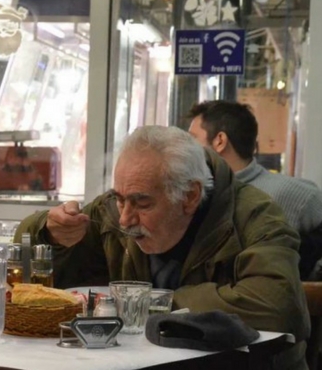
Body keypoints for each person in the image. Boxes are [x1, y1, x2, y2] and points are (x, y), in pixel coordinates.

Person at [15, 125, 309, 369]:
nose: (126, 219)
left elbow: (278, 305)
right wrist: (49, 233)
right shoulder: (112, 211)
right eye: (120, 199)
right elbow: (23, 265)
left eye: (142, 203)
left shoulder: (254, 218)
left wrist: (155, 304)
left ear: (190, 196)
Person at [188, 100, 322, 280]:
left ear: (220, 141)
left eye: (192, 139)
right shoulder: (193, 195)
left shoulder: (296, 195)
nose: (187, 148)